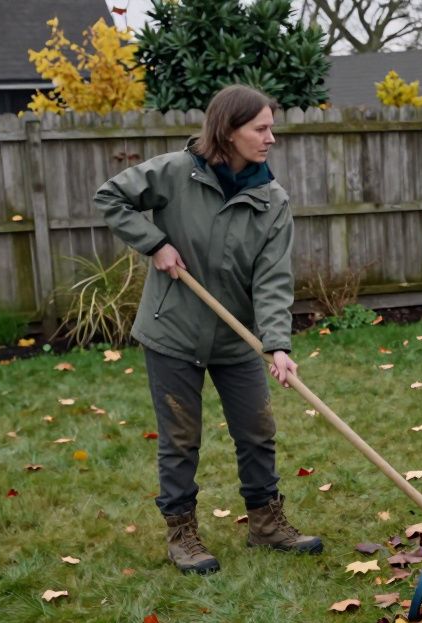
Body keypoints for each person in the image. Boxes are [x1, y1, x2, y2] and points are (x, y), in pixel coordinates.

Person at [94, 84, 322, 575]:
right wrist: (153, 243)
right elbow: (111, 196)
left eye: (271, 128)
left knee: (257, 430)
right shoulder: (176, 173)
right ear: (228, 130)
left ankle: (266, 524)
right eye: (261, 129)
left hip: (235, 336)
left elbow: (273, 279)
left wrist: (277, 344)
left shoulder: (271, 200)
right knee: (180, 437)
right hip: (173, 331)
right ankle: (182, 534)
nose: (271, 138)